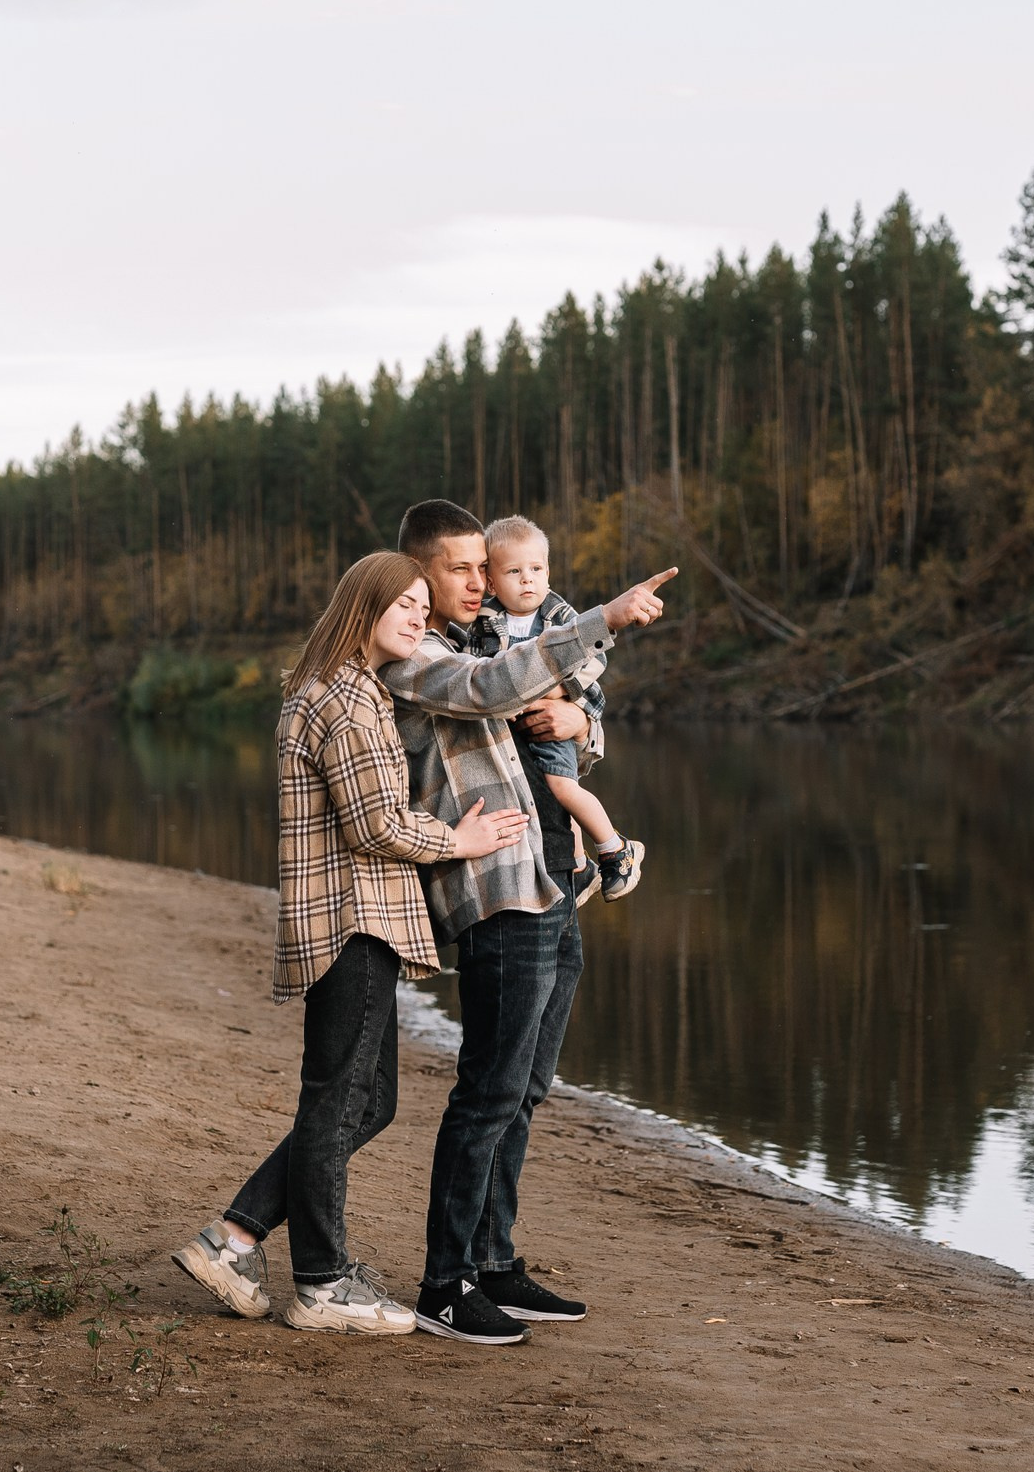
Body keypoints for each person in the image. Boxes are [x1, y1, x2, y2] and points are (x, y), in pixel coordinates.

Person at [173, 552, 531, 1334]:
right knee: (342, 1101)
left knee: (364, 1101)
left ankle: (232, 1239)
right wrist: (460, 840)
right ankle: (322, 1284)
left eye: (418, 604)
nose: (414, 615)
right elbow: (375, 823)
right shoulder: (346, 696)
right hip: (352, 918)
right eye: (399, 604)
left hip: (350, 920)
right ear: (360, 607)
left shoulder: (350, 688)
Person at [381, 498, 674, 1344]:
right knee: (488, 1090)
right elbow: (490, 688)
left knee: (527, 1087)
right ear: (420, 575)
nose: (480, 583)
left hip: (554, 882)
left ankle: (495, 1261)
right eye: (463, 569)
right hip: (496, 889)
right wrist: (602, 616)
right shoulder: (418, 652)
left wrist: (585, 720)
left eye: (486, 567)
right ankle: (445, 1282)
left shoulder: (487, 637)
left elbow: (566, 730)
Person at [473, 513, 642, 902]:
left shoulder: (560, 616)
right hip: (508, 727)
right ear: (492, 581)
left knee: (562, 786)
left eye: (536, 569)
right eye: (514, 571)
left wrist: (556, 693)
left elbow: (594, 659)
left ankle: (616, 847)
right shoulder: (483, 621)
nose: (527, 579)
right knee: (536, 795)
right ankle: (579, 867)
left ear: (548, 572)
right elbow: (473, 670)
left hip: (551, 714)